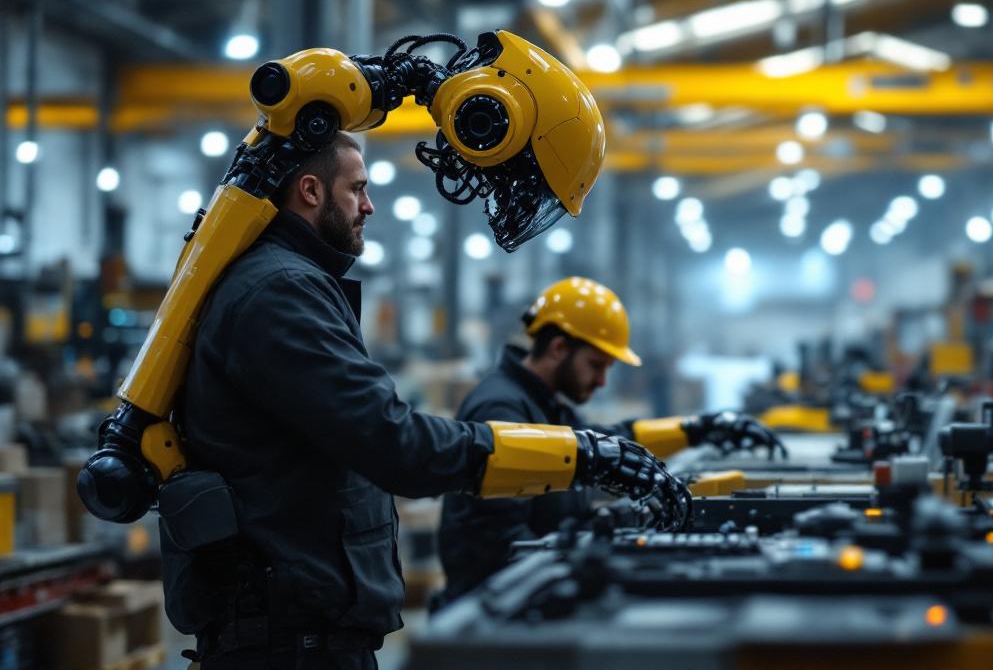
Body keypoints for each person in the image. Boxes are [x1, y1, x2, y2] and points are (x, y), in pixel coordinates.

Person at [173, 134, 689, 669]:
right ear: (310, 191)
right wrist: (582, 456)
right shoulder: (281, 291)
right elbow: (395, 443)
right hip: (287, 639)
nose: (369, 206)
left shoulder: (289, 284)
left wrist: (642, 443)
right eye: (357, 189)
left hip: (300, 625)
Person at [436, 277, 785, 604]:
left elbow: (607, 448)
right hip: (496, 611)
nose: (602, 381)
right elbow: (503, 544)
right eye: (596, 365)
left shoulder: (544, 402)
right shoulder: (502, 409)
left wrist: (695, 429)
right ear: (558, 348)